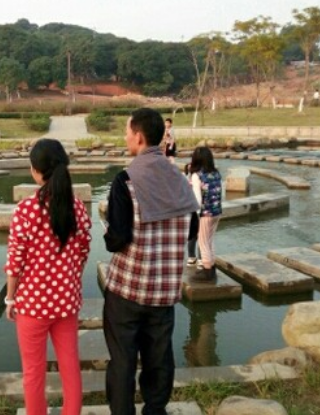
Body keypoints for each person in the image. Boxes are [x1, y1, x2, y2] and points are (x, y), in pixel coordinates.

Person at [102, 108, 199, 415]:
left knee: (123, 361)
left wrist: (107, 231)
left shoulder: (125, 180)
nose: (125, 137)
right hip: (164, 294)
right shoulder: (180, 180)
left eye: (127, 132)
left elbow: (117, 240)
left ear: (139, 137)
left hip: (127, 292)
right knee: (159, 361)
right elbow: (192, 231)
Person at [4, 138, 92, 415]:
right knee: (70, 367)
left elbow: (15, 262)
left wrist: (9, 299)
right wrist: (70, 281)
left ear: (35, 170)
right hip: (66, 302)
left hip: (32, 305)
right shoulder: (77, 207)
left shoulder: (26, 210)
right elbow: (83, 251)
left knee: (33, 373)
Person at [189, 146, 223, 282]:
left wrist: (195, 214)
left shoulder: (197, 176)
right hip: (217, 212)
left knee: (203, 242)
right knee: (209, 240)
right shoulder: (216, 173)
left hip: (205, 213)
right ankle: (212, 267)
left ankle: (207, 271)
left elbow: (197, 200)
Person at [184, 163, 200, 266]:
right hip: (195, 209)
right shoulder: (197, 178)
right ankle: (199, 259)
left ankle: (191, 257)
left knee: (193, 234)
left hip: (189, 209)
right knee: (198, 235)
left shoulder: (184, 179)